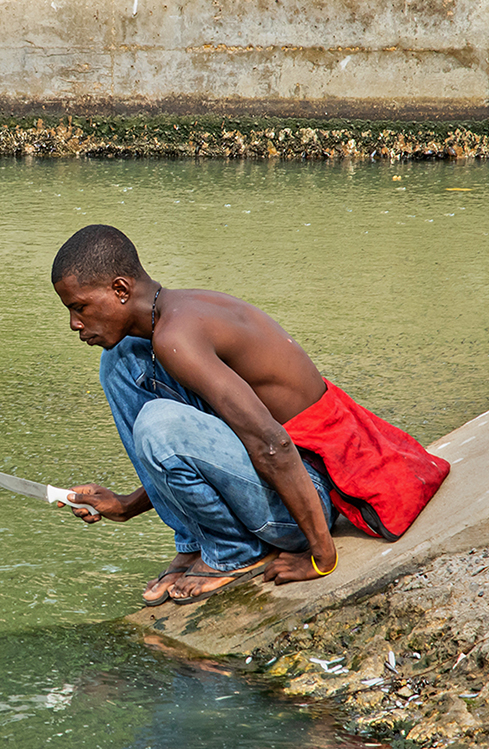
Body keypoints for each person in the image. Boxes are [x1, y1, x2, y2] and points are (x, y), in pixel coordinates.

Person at [51, 225, 450, 606]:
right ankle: (194, 543)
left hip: (310, 491)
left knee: (159, 422)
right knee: (119, 361)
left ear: (120, 289)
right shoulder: (173, 312)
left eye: (80, 307)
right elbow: (210, 443)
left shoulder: (177, 338)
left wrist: (321, 554)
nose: (74, 323)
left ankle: (235, 551)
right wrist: (126, 505)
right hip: (276, 474)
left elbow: (270, 442)